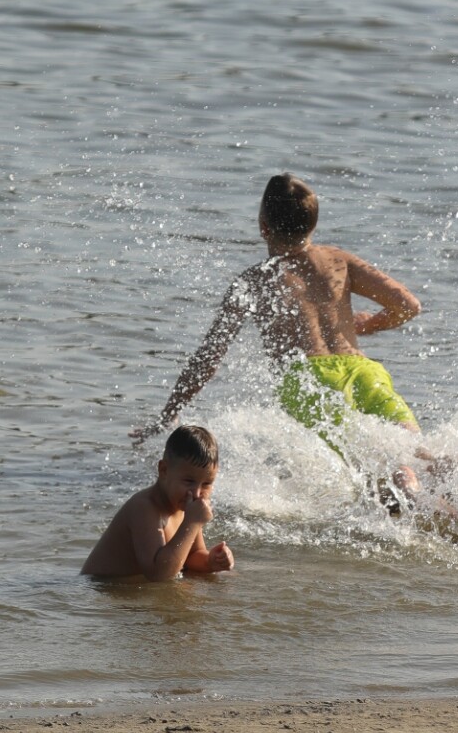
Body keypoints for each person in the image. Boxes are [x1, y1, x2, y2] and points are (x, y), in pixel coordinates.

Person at [130, 175, 430, 496]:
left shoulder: (254, 281)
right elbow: (407, 305)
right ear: (313, 226)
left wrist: (169, 412)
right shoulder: (339, 261)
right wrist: (365, 325)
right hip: (364, 371)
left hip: (308, 383)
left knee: (375, 472)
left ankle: (408, 494)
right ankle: (457, 488)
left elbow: (209, 358)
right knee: (416, 455)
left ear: (263, 227)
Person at [82, 424, 234, 579]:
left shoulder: (186, 506)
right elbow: (158, 574)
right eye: (189, 481)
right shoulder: (144, 508)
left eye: (206, 484)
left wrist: (210, 561)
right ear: (164, 471)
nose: (196, 493)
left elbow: (191, 555)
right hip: (100, 590)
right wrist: (192, 523)